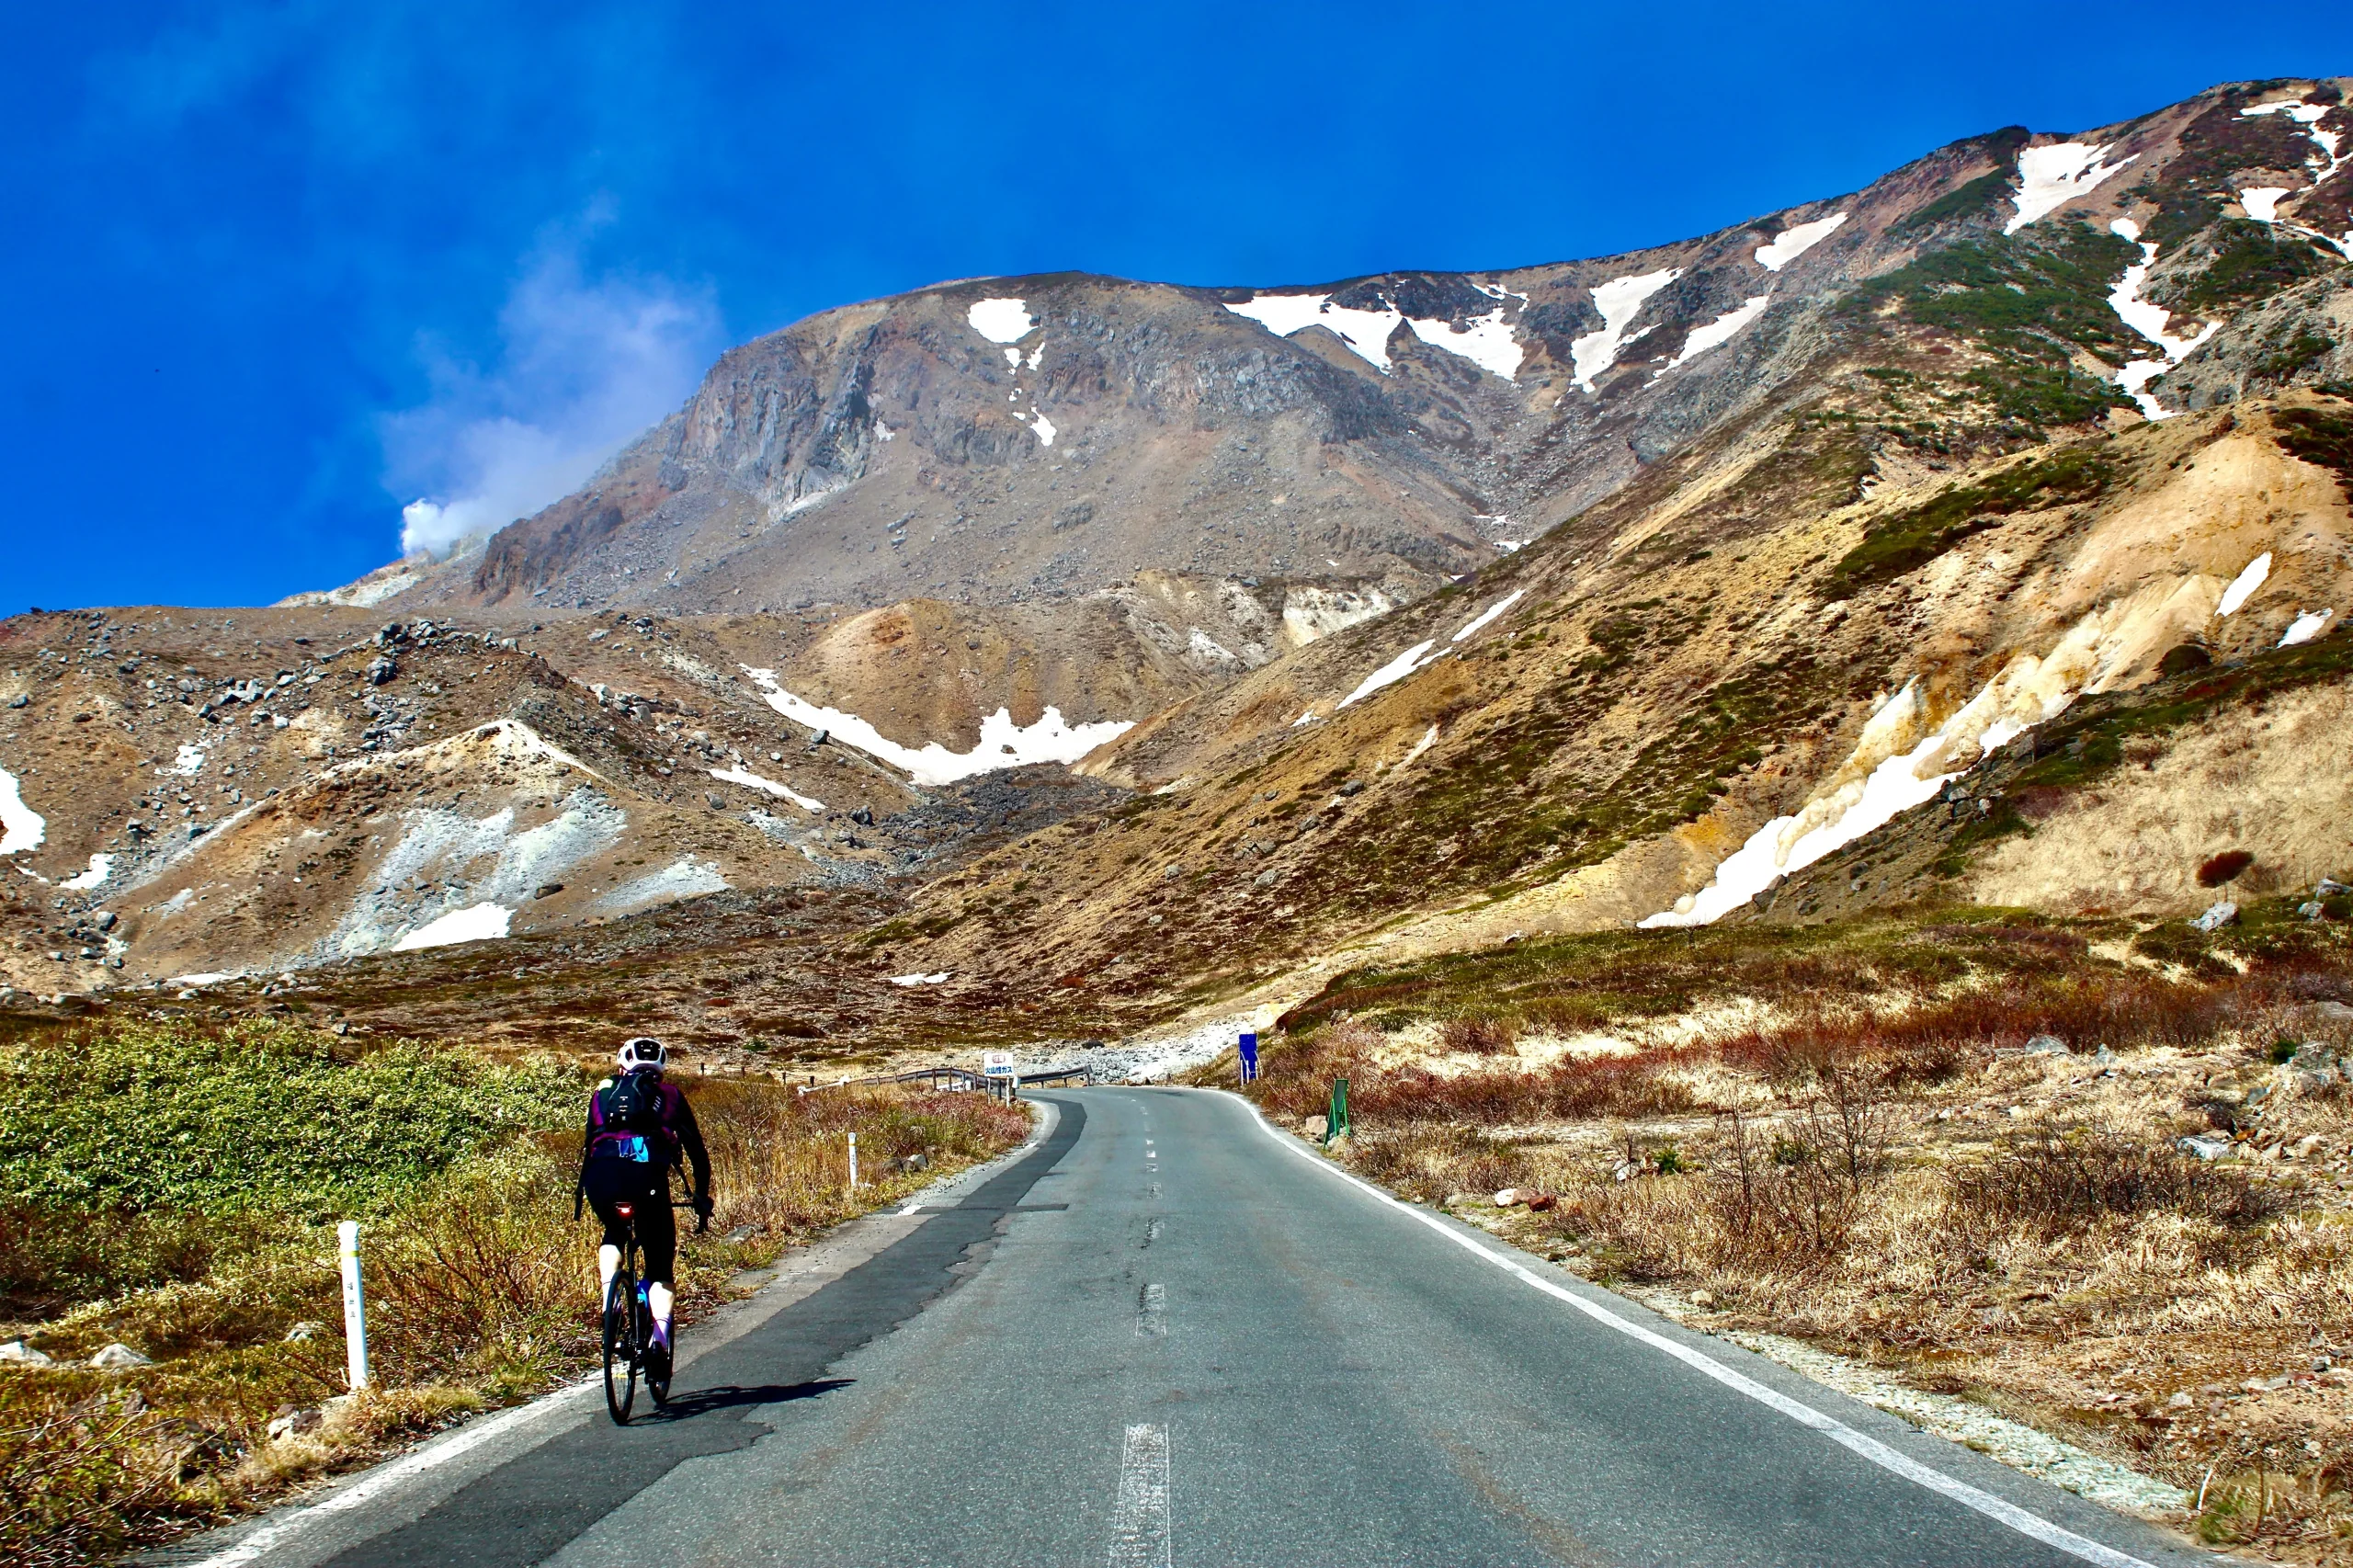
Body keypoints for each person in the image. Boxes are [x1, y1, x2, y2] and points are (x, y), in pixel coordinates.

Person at [577, 1037, 712, 1374]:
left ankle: (611, 1301)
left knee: (614, 1232)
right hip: (647, 1182)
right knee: (660, 1267)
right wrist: (700, 1196)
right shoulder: (670, 1096)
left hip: (601, 1177)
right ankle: (660, 1341)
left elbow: (589, 1140)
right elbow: (697, 1152)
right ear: (661, 1071)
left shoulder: (603, 1089)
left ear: (622, 1064)